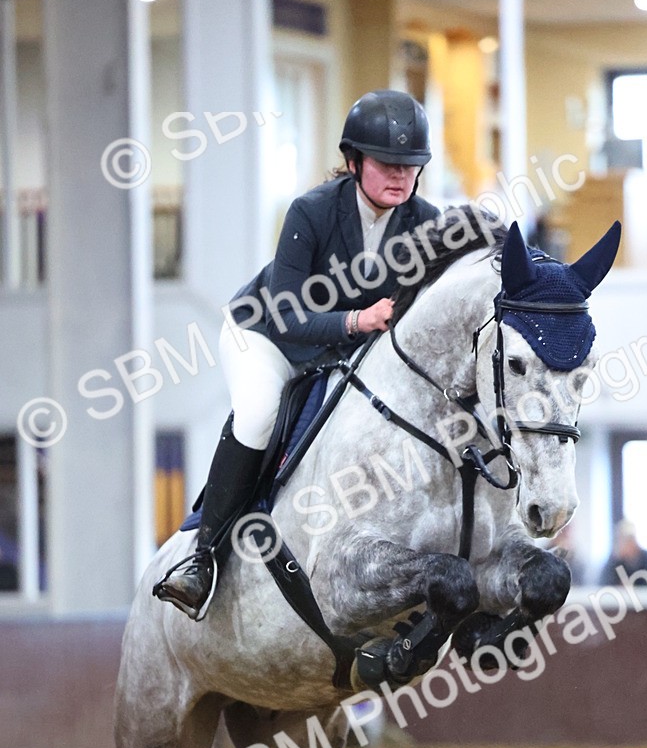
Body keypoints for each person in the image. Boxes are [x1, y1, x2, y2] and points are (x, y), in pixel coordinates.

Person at [155, 89, 439, 617]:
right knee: (261, 411)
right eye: (387, 163)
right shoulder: (310, 211)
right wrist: (358, 320)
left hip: (340, 349)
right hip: (267, 336)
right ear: (354, 162)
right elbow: (288, 315)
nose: (401, 175)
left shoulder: (426, 221)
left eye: (411, 165)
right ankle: (202, 558)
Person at [598, 519, 647, 588]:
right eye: (625, 540)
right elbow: (602, 586)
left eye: (631, 540)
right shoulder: (614, 560)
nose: (629, 545)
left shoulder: (646, 558)